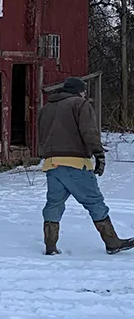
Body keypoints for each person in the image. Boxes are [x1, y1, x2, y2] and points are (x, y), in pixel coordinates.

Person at [38, 76, 134, 255]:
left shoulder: (46, 108)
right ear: (78, 91)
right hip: (75, 163)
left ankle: (50, 246)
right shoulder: (80, 105)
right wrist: (99, 154)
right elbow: (89, 131)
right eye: (83, 91)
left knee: (54, 204)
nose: (84, 94)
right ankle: (112, 242)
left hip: (52, 164)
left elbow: (41, 135)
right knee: (94, 201)